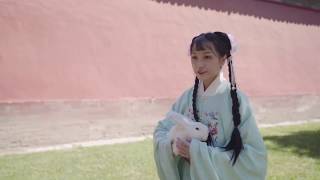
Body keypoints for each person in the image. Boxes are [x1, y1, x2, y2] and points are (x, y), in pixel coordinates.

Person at [153, 32, 268, 180]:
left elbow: (253, 157)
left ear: (222, 59)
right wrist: (174, 145)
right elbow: (162, 130)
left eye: (207, 56)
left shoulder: (236, 100)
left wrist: (195, 153)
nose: (199, 64)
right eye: (194, 57)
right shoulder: (187, 97)